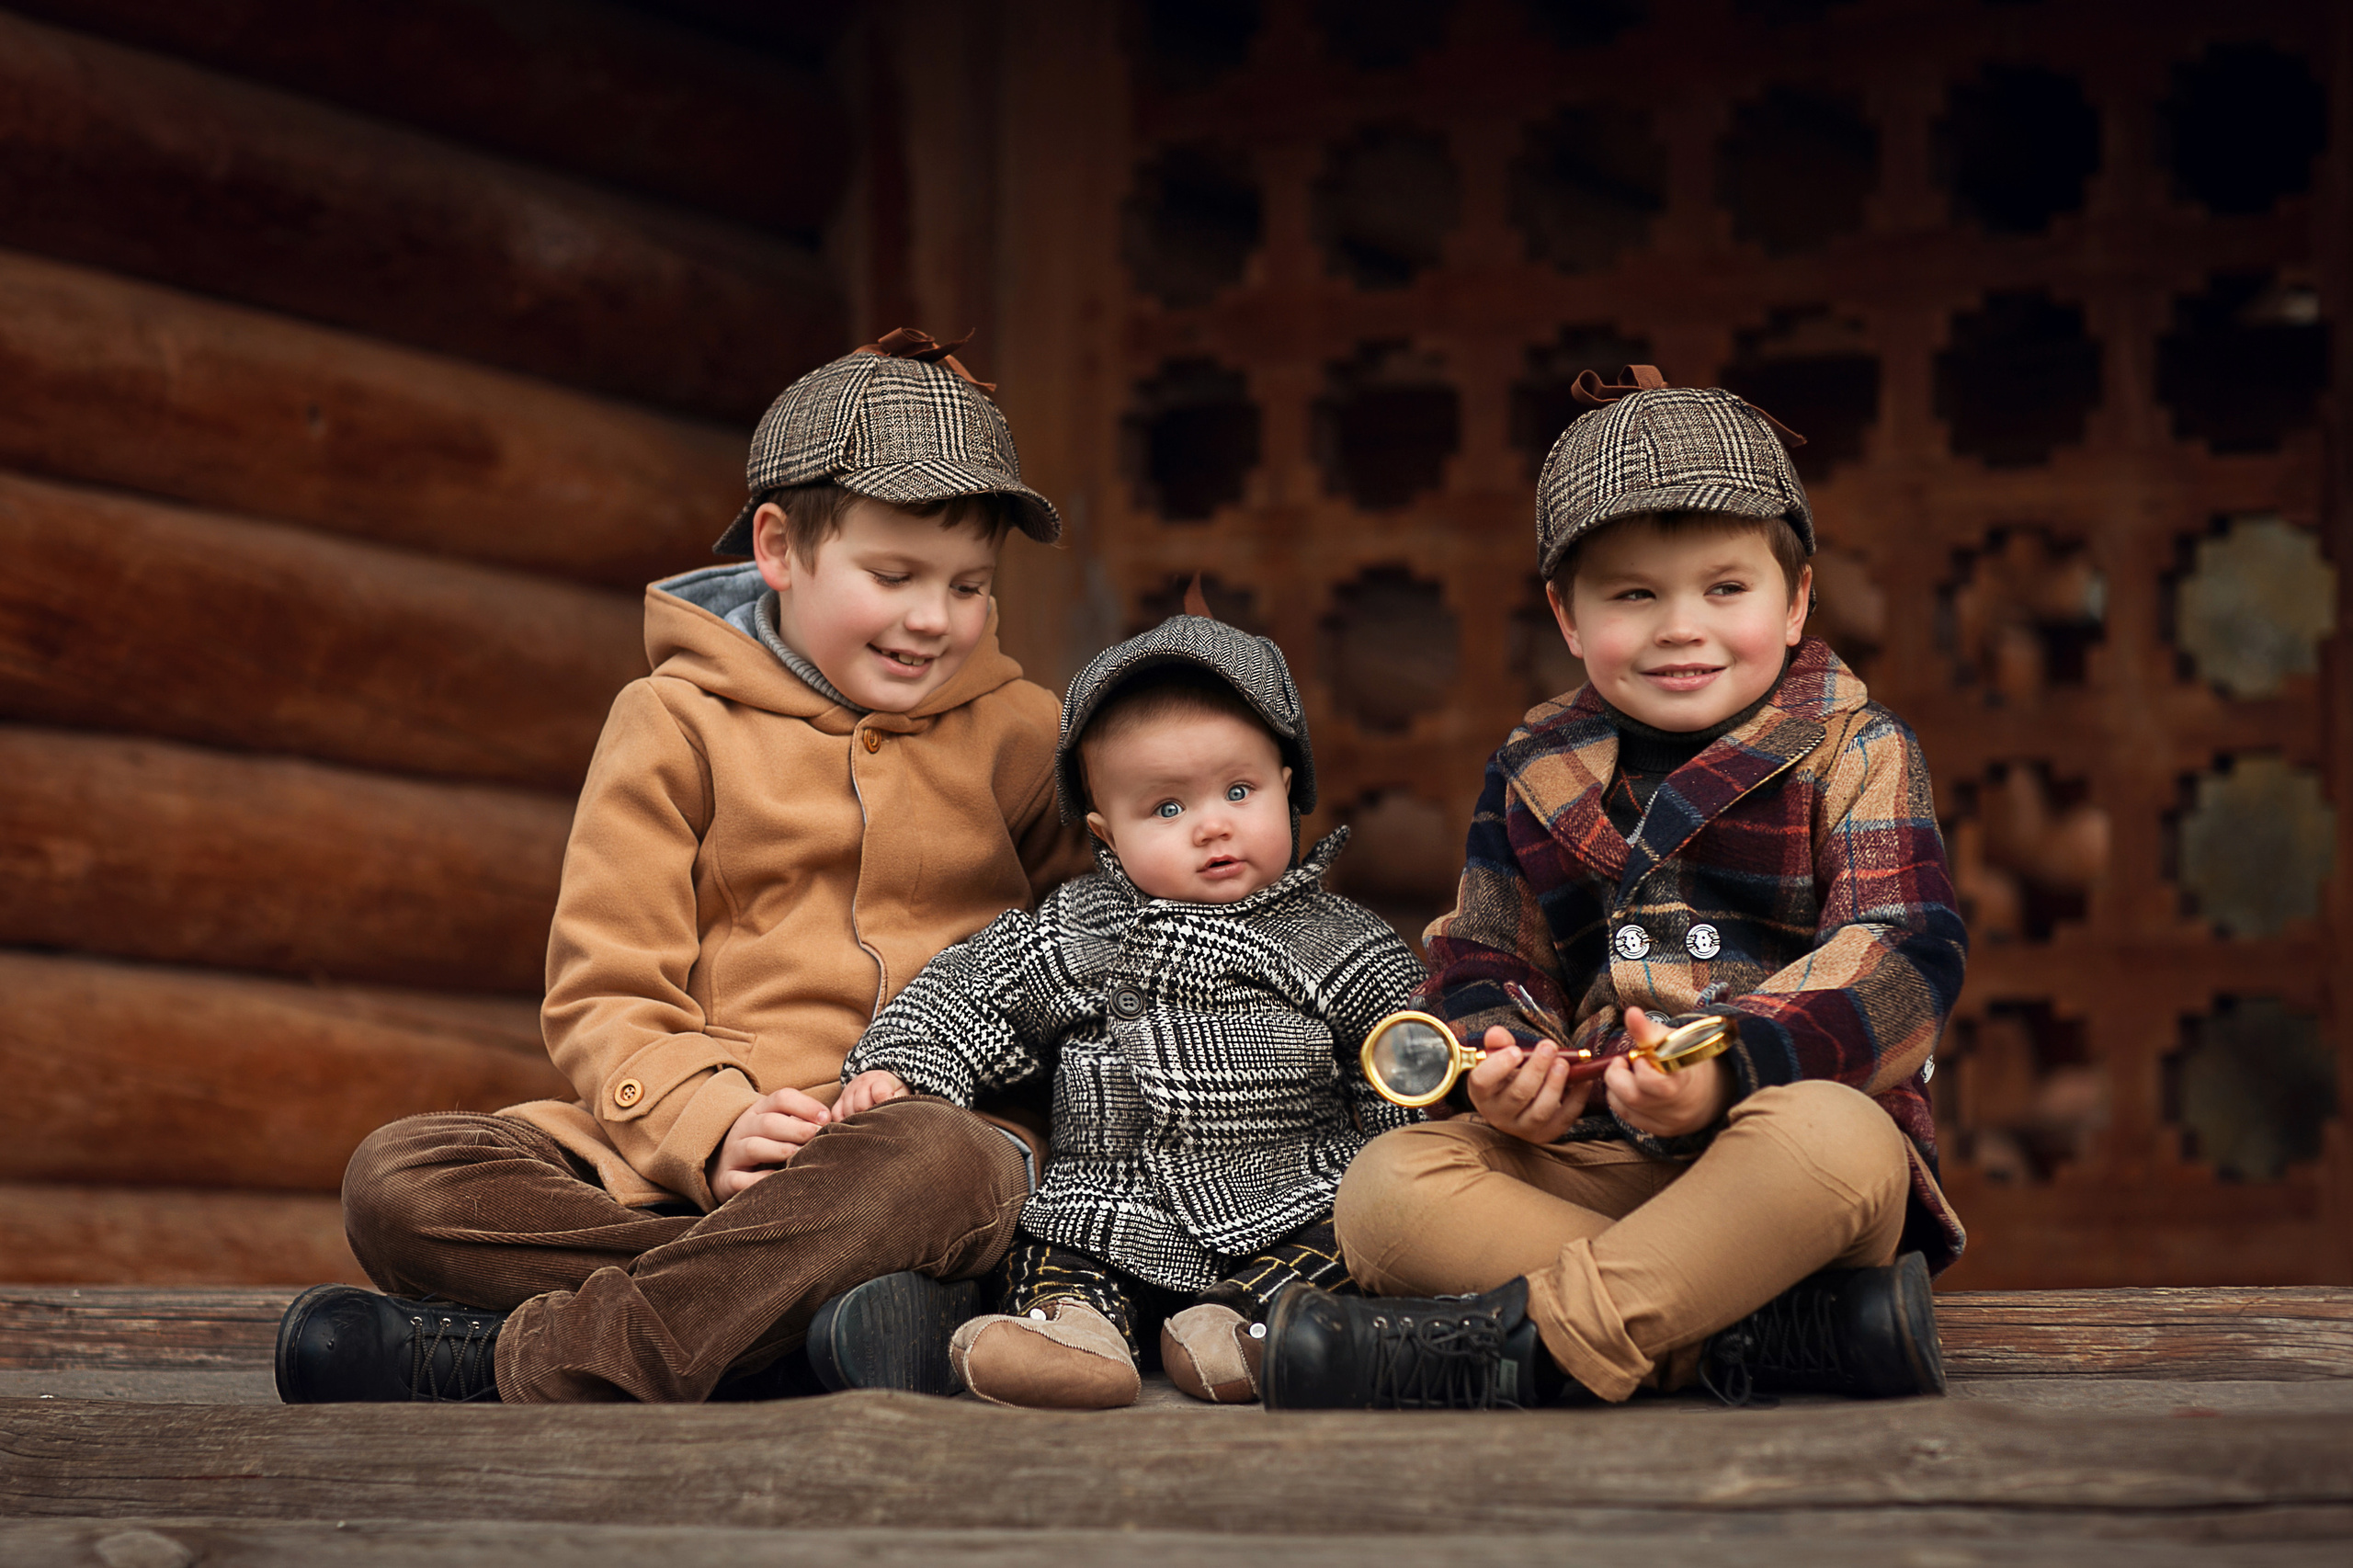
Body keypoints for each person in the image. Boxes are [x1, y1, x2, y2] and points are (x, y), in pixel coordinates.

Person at [274, 329, 1093, 1404]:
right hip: (690, 1175)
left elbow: (1085, 963)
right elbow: (606, 985)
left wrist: (986, 1112)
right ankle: (806, 1321)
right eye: (892, 574)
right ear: (779, 547)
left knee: (929, 1164)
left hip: (921, 1151)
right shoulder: (672, 720)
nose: (933, 618)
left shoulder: (1028, 735)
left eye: (970, 585)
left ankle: (521, 1356)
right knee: (400, 1177)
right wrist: (710, 1126)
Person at [1262, 367, 1970, 1411]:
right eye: (1634, 595)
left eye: (1724, 589)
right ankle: (1776, 1335)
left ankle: (1508, 1349)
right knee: (1385, 1192)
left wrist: (1725, 1067)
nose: (1680, 626)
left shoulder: (1852, 748)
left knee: (1838, 1137)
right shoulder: (1534, 765)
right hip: (1604, 1158)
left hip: (1780, 1166)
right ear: (1566, 613)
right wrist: (1504, 1068)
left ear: (1795, 601)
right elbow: (1487, 956)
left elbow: (1902, 954)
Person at [835, 607, 1427, 1407]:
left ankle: (1244, 1327)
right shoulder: (1080, 927)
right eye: (1168, 809)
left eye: (1240, 791)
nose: (1213, 826)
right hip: (1112, 1204)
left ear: (1288, 789)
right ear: (1106, 834)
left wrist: (1400, 1168)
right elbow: (973, 989)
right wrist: (902, 1065)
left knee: (1355, 1235)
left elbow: (1405, 1065)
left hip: (1287, 1196)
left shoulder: (1339, 941)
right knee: (1050, 1249)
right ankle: (1073, 1333)